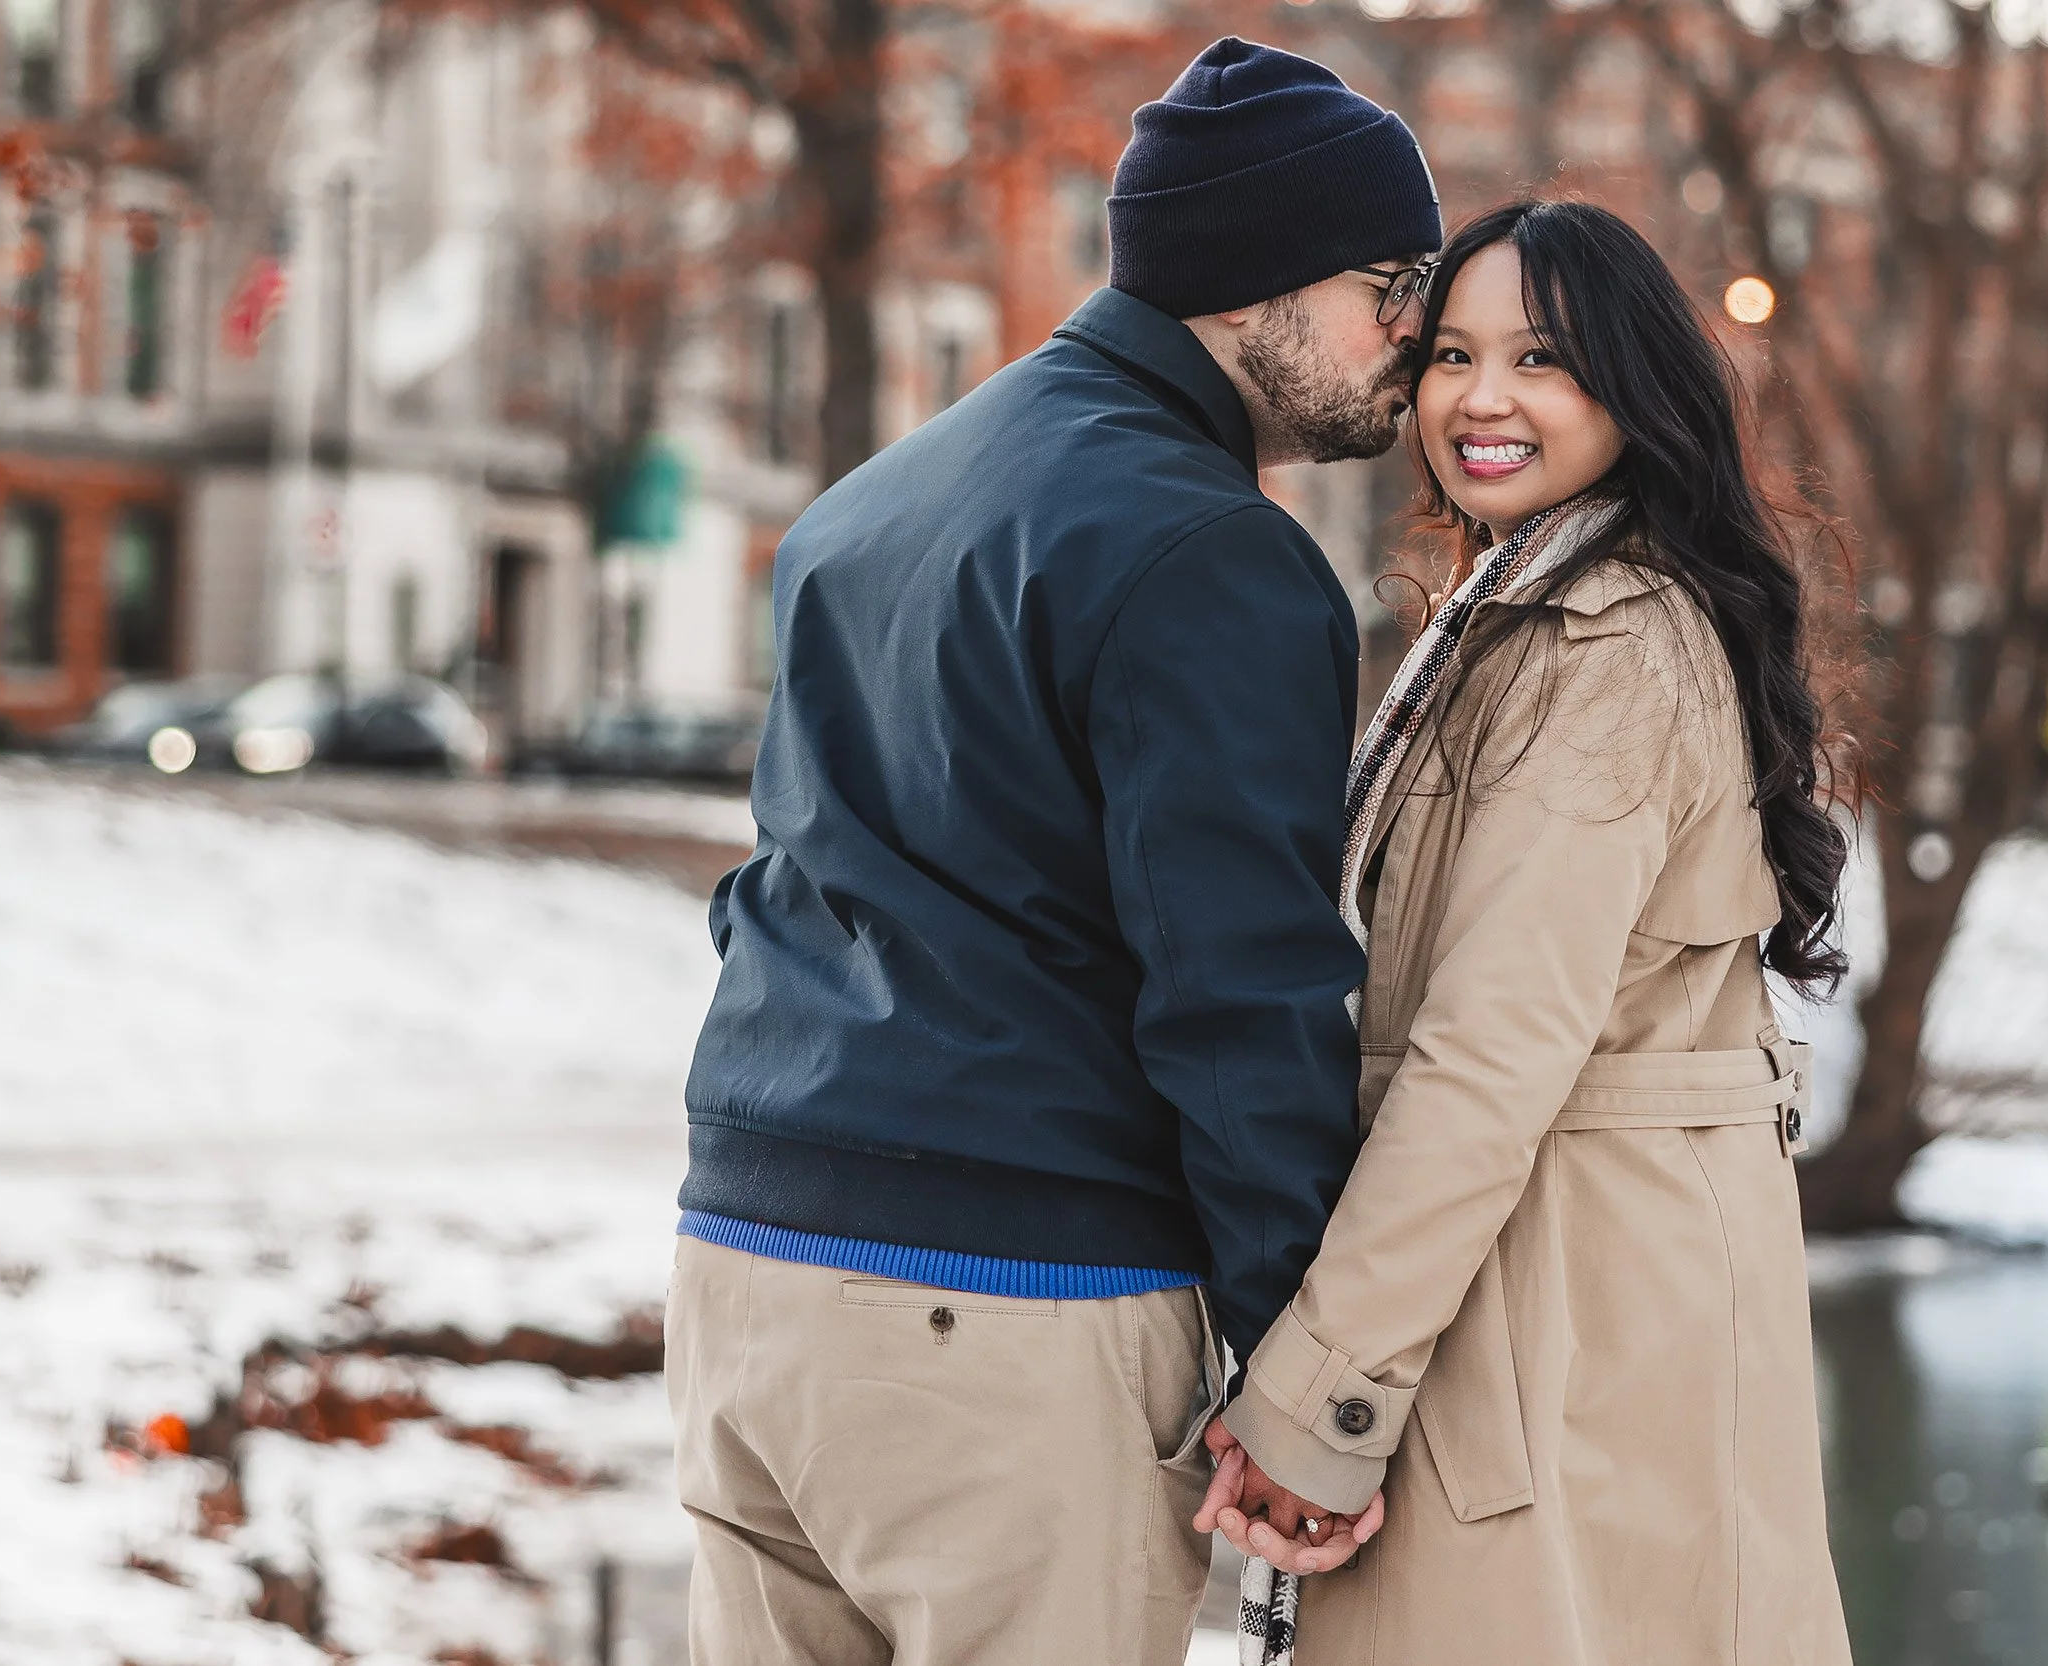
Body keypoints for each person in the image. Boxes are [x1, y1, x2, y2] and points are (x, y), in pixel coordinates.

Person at [666, 37, 1436, 1666]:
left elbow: (778, 880)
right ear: (1254, 285)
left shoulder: (867, 507)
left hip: (743, 1266)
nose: (1415, 335)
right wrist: (1312, 1386)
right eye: (1391, 282)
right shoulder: (1214, 552)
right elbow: (1242, 995)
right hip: (1001, 1309)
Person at [1214, 198, 1854, 1666]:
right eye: (1450, 353)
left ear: (1634, 386)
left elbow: (1486, 1057)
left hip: (1565, 1328)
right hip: (1548, 1296)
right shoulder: (1515, 618)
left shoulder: (1609, 646)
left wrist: (1321, 1402)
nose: (1479, 398)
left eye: (1542, 358)